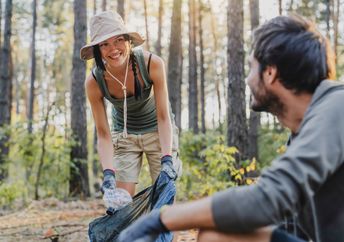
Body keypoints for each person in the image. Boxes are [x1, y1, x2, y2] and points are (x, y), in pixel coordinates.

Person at [118, 14, 344, 242]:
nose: (246, 79)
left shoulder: (337, 107)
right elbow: (288, 223)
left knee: (216, 235)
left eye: (251, 67)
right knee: (217, 234)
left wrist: (161, 218)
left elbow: (269, 198)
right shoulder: (307, 128)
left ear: (270, 72)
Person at [80, 11, 182, 201]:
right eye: (104, 44)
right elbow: (103, 133)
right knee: (120, 202)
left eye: (118, 40)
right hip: (125, 135)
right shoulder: (94, 81)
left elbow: (163, 116)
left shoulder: (152, 63)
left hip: (158, 131)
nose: (113, 49)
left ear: (128, 41)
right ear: (97, 50)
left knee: (163, 198)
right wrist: (109, 173)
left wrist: (167, 159)